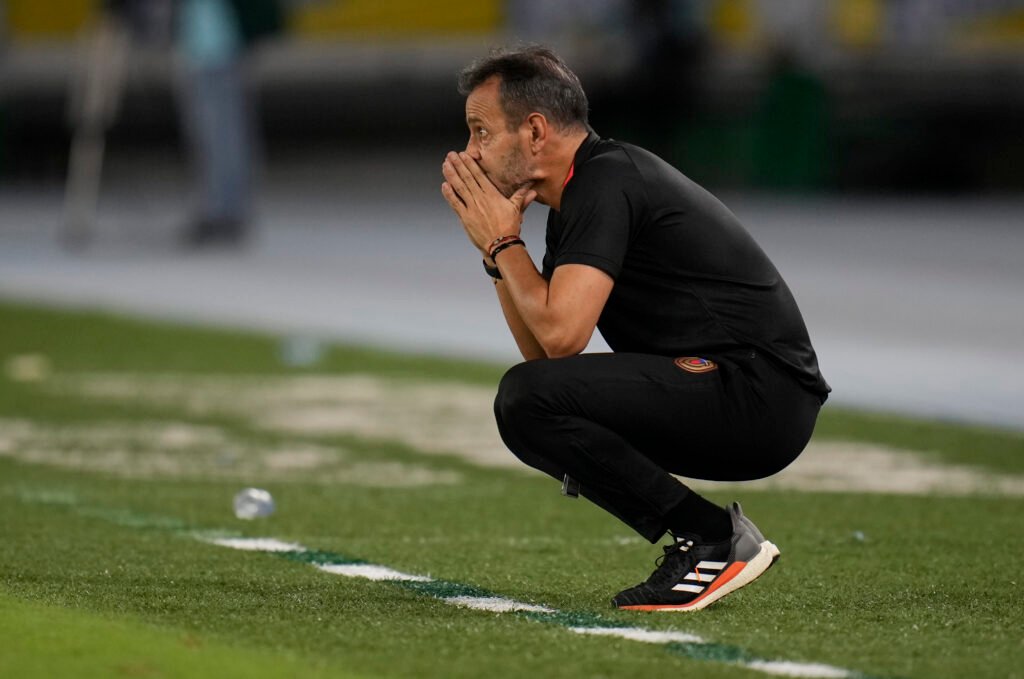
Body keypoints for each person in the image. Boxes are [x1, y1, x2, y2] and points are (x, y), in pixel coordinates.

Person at [440, 46, 830, 611]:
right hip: (738, 389)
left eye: (481, 132)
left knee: (527, 399)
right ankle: (710, 539)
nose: (472, 152)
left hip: (759, 392)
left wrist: (504, 243)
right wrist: (495, 252)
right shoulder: (583, 190)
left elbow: (561, 336)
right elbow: (545, 355)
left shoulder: (607, 182)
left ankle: (714, 541)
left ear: (534, 131)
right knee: (528, 403)